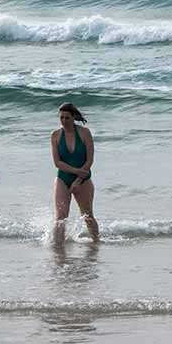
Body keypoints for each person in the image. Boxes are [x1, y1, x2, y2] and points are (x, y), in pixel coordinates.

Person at [51, 102, 98, 241]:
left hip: (83, 179)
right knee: (60, 217)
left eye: (67, 118)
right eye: (61, 118)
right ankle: (58, 250)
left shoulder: (84, 133)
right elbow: (57, 162)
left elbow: (90, 160)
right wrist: (76, 171)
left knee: (87, 215)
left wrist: (78, 179)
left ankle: (96, 244)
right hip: (63, 178)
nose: (64, 121)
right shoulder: (55, 135)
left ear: (73, 117)